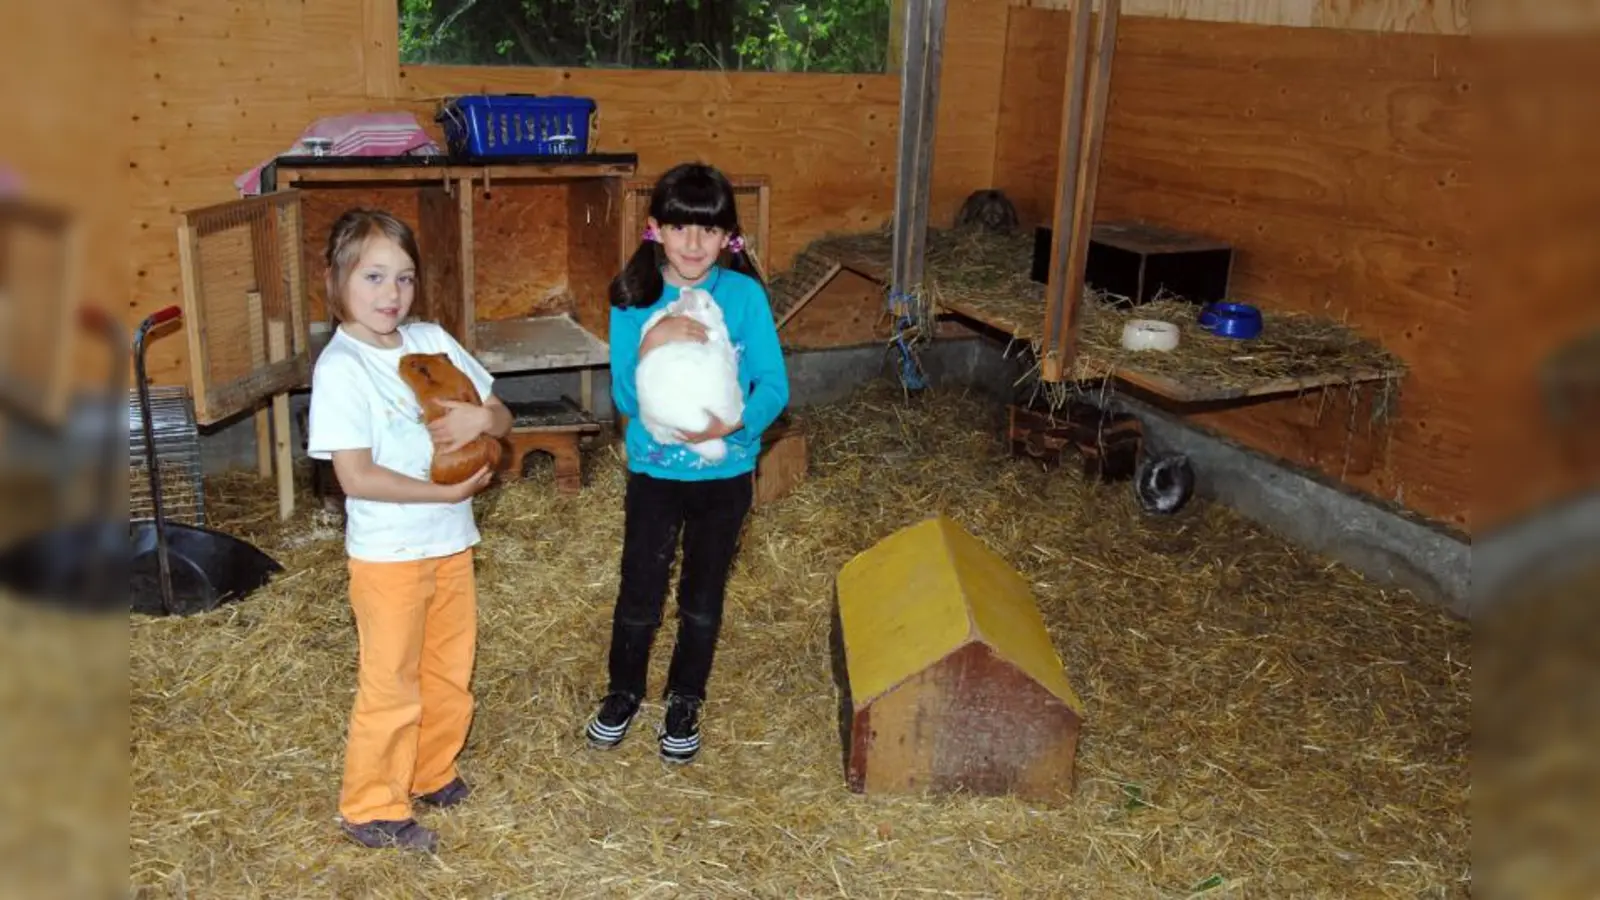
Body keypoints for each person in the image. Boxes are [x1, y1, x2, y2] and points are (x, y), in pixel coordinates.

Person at [305, 208, 512, 852]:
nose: (391, 294)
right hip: (389, 554)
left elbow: (501, 413)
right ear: (336, 280)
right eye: (373, 277)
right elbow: (356, 476)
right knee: (391, 679)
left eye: (404, 277)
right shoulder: (342, 368)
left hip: (452, 542)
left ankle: (430, 770)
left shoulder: (432, 341)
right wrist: (442, 492)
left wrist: (483, 422)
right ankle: (371, 806)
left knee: (449, 668)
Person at [585, 162, 790, 764]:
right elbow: (627, 398)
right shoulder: (635, 298)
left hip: (725, 476)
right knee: (640, 590)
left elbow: (774, 385)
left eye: (709, 229)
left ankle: (685, 698)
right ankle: (624, 691)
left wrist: (736, 424)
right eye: (679, 227)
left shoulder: (744, 297)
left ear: (729, 236)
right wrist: (655, 337)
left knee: (702, 595)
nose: (694, 243)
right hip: (654, 475)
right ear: (655, 229)